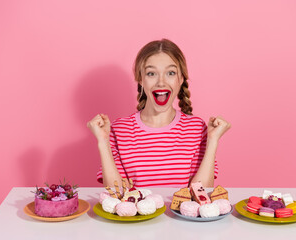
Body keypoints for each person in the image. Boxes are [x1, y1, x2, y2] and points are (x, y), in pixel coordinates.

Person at [87, 39, 231, 188]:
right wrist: (103, 141)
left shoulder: (196, 128)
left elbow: (200, 195)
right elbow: (117, 196)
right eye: (151, 73)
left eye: (170, 73)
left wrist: (213, 140)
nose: (161, 82)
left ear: (180, 79)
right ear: (140, 79)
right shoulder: (119, 129)